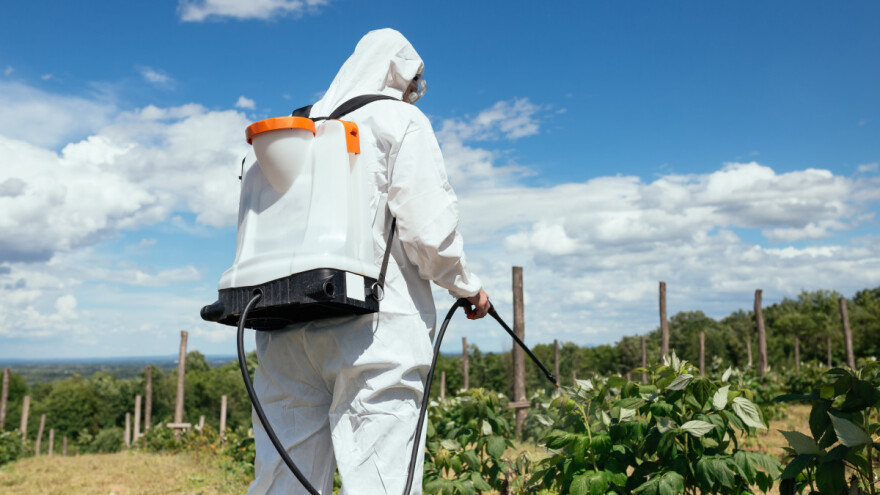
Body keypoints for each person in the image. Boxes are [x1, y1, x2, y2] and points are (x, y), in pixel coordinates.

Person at [249, 28, 490, 495]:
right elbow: (430, 234)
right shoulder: (398, 120)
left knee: (283, 482)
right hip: (372, 334)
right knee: (380, 481)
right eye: (413, 85)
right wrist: (468, 287)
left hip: (282, 325)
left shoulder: (298, 130)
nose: (413, 95)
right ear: (399, 72)